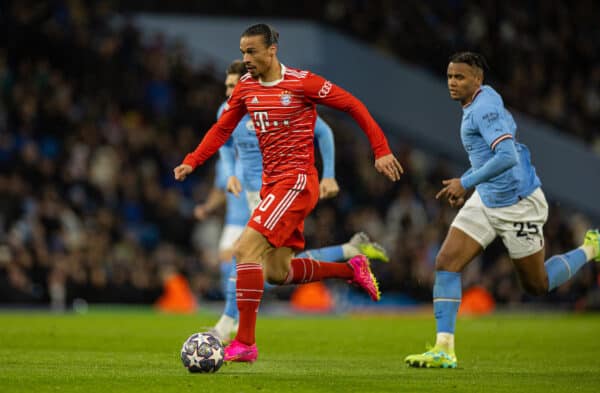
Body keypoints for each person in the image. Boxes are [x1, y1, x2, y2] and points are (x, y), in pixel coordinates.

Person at [174, 23, 402, 362]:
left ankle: (245, 344)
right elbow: (222, 129)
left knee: (244, 248)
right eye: (242, 52)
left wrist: (380, 149)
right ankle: (351, 269)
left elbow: (353, 105)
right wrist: (193, 160)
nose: (245, 58)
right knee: (278, 272)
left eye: (251, 51)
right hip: (272, 185)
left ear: (271, 50)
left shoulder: (301, 83)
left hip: (296, 182)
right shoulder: (247, 88)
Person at [404, 52, 600, 369]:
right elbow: (492, 151)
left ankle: (592, 247)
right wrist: (473, 184)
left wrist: (465, 181)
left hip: (518, 204)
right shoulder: (482, 99)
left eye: (460, 77)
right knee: (446, 261)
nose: (452, 83)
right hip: (488, 196)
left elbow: (507, 155)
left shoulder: (483, 109)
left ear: (477, 80)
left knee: (537, 285)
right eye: (450, 76)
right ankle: (444, 349)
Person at [207, 60, 389, 342]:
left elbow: (324, 131)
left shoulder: (276, 101)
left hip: (282, 193)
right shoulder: (226, 111)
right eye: (228, 87)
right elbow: (226, 145)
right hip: (250, 197)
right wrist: (230, 173)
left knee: (243, 253)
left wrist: (329, 175)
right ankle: (349, 257)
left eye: (235, 85)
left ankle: (231, 329)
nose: (231, 92)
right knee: (277, 272)